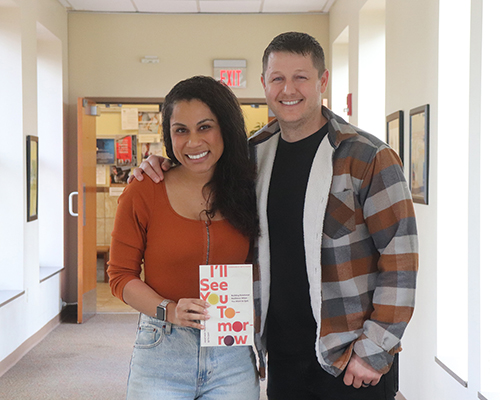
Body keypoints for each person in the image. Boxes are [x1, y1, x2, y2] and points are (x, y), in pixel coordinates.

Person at [132, 32, 418, 400]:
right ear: (265, 84)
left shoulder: (368, 157)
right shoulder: (252, 157)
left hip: (350, 355)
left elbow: (401, 259)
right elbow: (197, 166)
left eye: (301, 76)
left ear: (322, 81)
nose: (289, 89)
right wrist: (160, 164)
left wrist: (375, 350)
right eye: (277, 78)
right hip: (282, 357)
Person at [107, 76, 260, 400]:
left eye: (205, 127)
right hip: (162, 350)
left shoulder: (251, 189)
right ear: (169, 135)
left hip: (231, 353)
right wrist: (170, 309)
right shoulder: (144, 190)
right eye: (181, 130)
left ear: (226, 129)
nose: (193, 142)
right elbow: (120, 276)